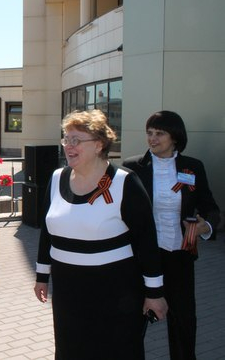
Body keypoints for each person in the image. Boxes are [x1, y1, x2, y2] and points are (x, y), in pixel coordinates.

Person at [34, 110, 168, 360]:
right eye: (66, 139)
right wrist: (42, 276)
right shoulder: (56, 178)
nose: (68, 146)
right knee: (71, 350)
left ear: (98, 144)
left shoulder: (125, 182)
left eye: (76, 140)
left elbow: (147, 242)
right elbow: (47, 232)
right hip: (67, 291)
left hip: (115, 293)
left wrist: (154, 293)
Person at [123, 110, 220, 360]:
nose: (152, 139)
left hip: (180, 256)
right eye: (149, 133)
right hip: (142, 259)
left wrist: (205, 226)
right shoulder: (132, 168)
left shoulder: (193, 167)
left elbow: (210, 208)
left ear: (174, 137)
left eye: (160, 133)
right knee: (134, 321)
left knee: (183, 321)